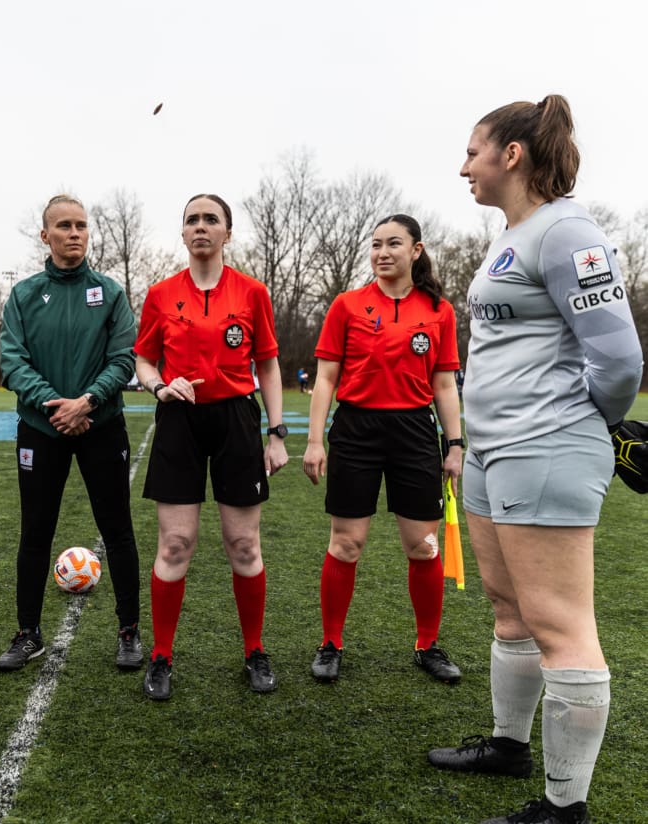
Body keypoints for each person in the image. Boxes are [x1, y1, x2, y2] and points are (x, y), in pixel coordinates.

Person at [427, 96, 642, 824]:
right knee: (509, 608)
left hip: (543, 446)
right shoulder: (515, 234)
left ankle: (563, 808)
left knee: (559, 624)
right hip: (495, 450)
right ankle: (509, 745)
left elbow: (617, 359)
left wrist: (592, 424)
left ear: (511, 155)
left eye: (473, 150)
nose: (465, 166)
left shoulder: (569, 231)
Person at [135, 193, 288, 701]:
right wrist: (159, 386)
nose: (201, 226)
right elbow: (144, 361)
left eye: (211, 219)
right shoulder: (160, 294)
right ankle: (161, 656)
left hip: (236, 420)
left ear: (227, 232)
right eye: (192, 219)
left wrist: (276, 432)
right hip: (179, 418)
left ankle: (255, 650)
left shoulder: (252, 293)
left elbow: (266, 364)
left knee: (244, 545)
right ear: (182, 233)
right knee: (175, 544)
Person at [302, 214, 464, 685]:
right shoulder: (347, 306)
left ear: (416, 250)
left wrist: (453, 445)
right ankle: (331, 642)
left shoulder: (439, 311)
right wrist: (315, 442)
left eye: (393, 244)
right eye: (375, 244)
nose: (382, 253)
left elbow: (445, 384)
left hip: (415, 431)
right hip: (356, 430)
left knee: (423, 546)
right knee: (346, 544)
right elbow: (325, 378)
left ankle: (427, 645)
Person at [0, 194, 142, 672]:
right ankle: (27, 633)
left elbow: (123, 358)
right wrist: (53, 404)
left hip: (101, 425)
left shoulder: (111, 293)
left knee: (117, 528)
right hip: (42, 428)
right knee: (35, 532)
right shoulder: (23, 295)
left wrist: (87, 402)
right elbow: (13, 361)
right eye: (64, 226)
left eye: (81, 225)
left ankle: (128, 631)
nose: (74, 233)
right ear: (46, 236)